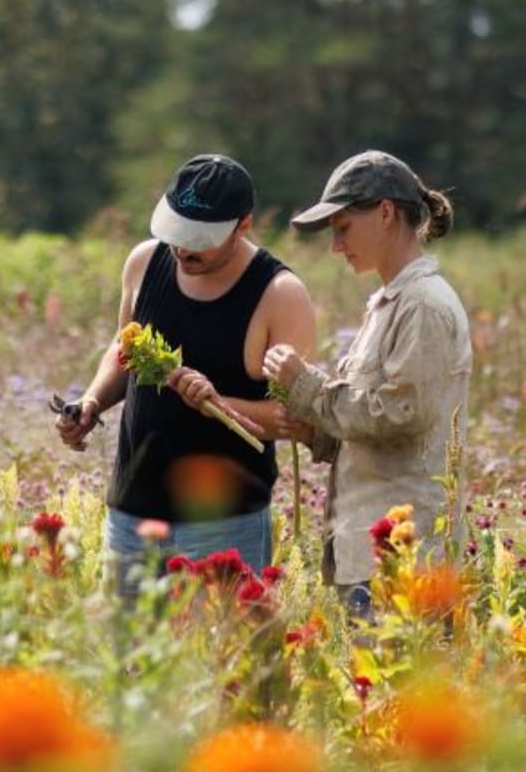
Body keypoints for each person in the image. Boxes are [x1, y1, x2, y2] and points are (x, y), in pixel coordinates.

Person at [58, 154, 316, 597]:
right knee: (128, 661)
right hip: (131, 515)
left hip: (223, 528)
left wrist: (219, 404)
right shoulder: (143, 263)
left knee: (220, 660)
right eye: (178, 232)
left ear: (243, 226)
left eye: (200, 239)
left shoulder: (279, 295)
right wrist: (92, 403)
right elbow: (125, 350)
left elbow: (294, 418)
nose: (184, 249)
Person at [263, 150, 471, 618]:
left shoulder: (422, 304)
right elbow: (383, 424)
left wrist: (309, 388)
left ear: (385, 213)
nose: (337, 246)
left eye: (342, 229)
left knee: (398, 688)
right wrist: (319, 431)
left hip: (405, 561)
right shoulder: (391, 301)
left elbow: (403, 413)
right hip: (374, 555)